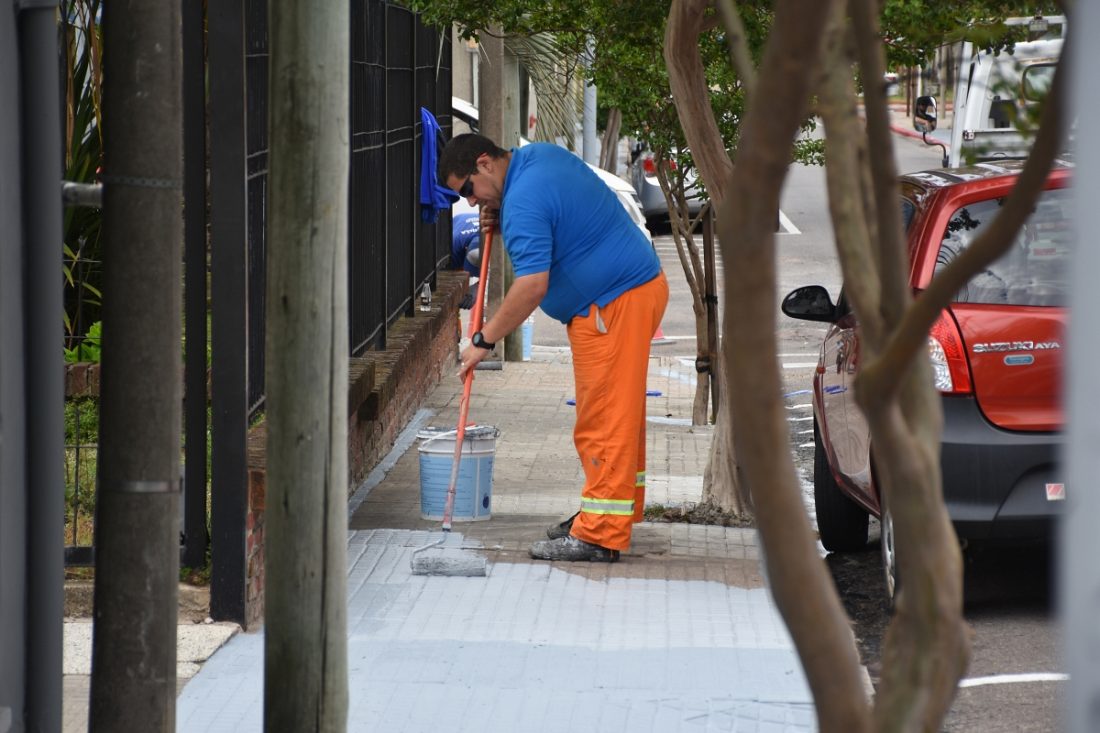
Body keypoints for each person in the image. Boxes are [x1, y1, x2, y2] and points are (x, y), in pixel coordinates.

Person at [438, 133, 669, 562]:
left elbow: (531, 286)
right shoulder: (537, 158)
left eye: (468, 189)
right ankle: (610, 513)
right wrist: (503, 215)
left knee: (603, 420)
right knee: (618, 414)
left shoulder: (523, 200)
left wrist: (482, 340)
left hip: (612, 303)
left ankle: (600, 533)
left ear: (485, 163)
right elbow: (560, 218)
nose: (470, 202)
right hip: (632, 291)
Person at [451, 211, 481, 309]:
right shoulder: (453, 247)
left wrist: (479, 287)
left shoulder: (498, 244)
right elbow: (448, 276)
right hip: (459, 223)